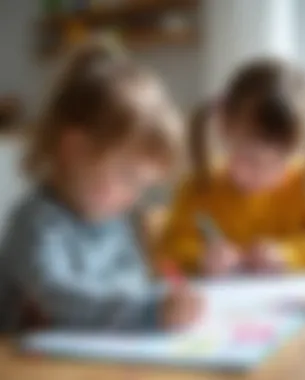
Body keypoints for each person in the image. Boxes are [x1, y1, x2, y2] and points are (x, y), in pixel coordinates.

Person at [0, 39, 201, 331]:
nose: (133, 198)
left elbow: (133, 282)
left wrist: (165, 301)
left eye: (141, 186)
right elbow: (58, 297)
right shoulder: (34, 224)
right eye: (128, 178)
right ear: (74, 151)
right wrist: (148, 311)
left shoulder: (116, 220)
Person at [157, 59, 305, 278]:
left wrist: (289, 254)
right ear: (225, 132)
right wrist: (201, 257)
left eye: (278, 161)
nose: (261, 173)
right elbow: (167, 252)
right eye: (249, 158)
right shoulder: (199, 187)